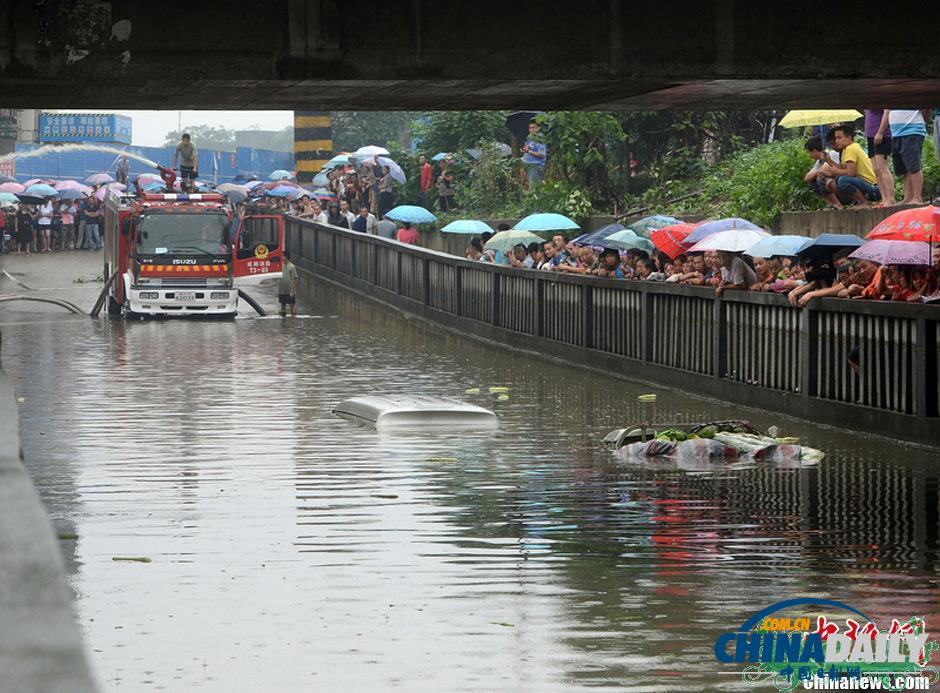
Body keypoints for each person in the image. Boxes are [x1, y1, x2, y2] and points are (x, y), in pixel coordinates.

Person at [877, 109, 929, 205]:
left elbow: (925, 108)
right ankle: (908, 197)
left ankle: (917, 197)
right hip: (896, 131)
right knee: (904, 167)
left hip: (912, 128)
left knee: (913, 164)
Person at [823, 125, 881, 206]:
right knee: (831, 184)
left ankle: (864, 202)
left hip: (873, 187)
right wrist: (828, 161)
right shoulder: (845, 150)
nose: (836, 141)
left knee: (842, 180)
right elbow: (842, 169)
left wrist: (835, 172)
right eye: (836, 138)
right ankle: (858, 201)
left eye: (839, 138)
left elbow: (851, 173)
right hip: (863, 184)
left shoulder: (851, 148)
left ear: (849, 137)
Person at [804, 135, 847, 209]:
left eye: (809, 153)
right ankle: (830, 204)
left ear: (814, 151)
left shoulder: (831, 154)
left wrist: (818, 171)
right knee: (813, 182)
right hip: (833, 186)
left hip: (841, 186)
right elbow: (807, 178)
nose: (809, 156)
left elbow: (823, 170)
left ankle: (838, 204)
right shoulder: (819, 161)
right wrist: (818, 171)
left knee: (821, 178)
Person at [863, 109, 895, 205]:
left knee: (883, 168)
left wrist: (880, 132)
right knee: (876, 169)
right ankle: (884, 198)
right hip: (870, 135)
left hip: (882, 135)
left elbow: (887, 112)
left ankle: (890, 198)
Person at [522, 119, 547, 187]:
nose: (531, 129)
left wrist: (529, 151)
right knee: (528, 186)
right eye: (530, 128)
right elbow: (527, 151)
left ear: (538, 128)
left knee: (534, 188)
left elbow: (542, 155)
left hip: (535, 166)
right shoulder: (529, 139)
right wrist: (525, 150)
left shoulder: (540, 140)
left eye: (533, 127)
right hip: (528, 165)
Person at [278, 250, 298, 317]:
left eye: (282, 256)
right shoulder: (280, 265)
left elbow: (294, 279)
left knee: (292, 306)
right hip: (282, 290)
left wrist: (292, 291)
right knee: (282, 306)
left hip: (289, 290)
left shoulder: (292, 267)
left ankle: (293, 321)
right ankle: (283, 322)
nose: (281, 257)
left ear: (286, 257)